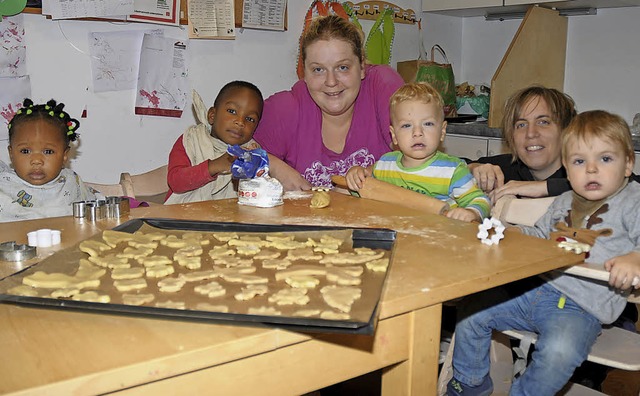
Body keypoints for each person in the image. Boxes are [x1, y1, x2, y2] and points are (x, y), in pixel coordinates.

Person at [447, 110, 640, 396]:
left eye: (605, 159)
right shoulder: (563, 201)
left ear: (628, 164)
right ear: (566, 166)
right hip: (532, 292)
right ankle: (468, 384)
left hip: (581, 309)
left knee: (560, 352)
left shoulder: (633, 200)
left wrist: (635, 258)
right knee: (472, 311)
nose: (591, 169)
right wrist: (509, 234)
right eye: (578, 161)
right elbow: (538, 236)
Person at [252, 15, 405, 190]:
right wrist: (274, 165)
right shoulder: (287, 108)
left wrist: (365, 177)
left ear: (362, 67)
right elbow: (238, 154)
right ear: (304, 73)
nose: (331, 81)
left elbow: (417, 154)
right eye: (318, 69)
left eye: (343, 67)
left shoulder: (382, 86)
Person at [345, 82, 490, 222]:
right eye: (407, 125)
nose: (417, 132)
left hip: (437, 239)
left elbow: (481, 200)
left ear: (442, 131)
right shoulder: (384, 165)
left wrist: (472, 213)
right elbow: (363, 192)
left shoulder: (452, 171)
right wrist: (355, 176)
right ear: (394, 135)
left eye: (428, 124)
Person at [468, 85, 577, 203]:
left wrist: (542, 187)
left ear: (566, 131)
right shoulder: (507, 169)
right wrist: (473, 168)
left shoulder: (582, 173)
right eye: (521, 124)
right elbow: (450, 164)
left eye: (543, 122)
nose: (530, 133)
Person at [165, 81, 263, 204]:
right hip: (183, 216)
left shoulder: (251, 151)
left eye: (250, 119)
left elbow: (255, 197)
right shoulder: (192, 139)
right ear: (212, 115)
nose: (240, 122)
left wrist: (245, 177)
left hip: (227, 218)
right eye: (232, 111)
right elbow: (175, 182)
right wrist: (215, 166)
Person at [0, 98, 96, 222]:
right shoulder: (4, 186)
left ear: (64, 155)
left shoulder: (71, 182)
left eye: (48, 151)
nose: (36, 161)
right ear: (11, 153)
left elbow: (98, 208)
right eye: (25, 151)